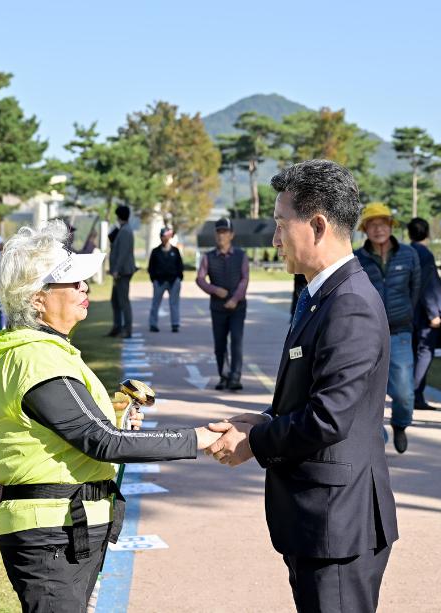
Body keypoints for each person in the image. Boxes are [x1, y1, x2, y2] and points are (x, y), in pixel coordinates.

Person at [0, 221, 221, 612]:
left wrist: (114, 413)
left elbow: (76, 429)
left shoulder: (43, 352)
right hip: (52, 533)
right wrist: (200, 437)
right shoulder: (37, 358)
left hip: (62, 528)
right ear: (37, 298)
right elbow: (103, 441)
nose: (84, 287)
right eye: (72, 282)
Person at [206, 160, 398, 613]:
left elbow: (328, 418)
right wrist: (265, 420)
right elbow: (316, 397)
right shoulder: (323, 295)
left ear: (317, 225)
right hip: (321, 520)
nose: (275, 240)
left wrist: (253, 442)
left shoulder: (349, 303)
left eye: (280, 225)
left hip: (337, 523)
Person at [354, 203, 421, 453]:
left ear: (391, 226)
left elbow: (415, 290)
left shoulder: (409, 255)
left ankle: (400, 424)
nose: (378, 229)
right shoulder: (357, 258)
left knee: (404, 392)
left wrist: (404, 314)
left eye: (383, 223)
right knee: (369, 392)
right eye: (372, 224)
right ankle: (377, 435)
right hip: (366, 334)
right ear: (365, 229)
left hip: (400, 332)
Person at [196, 218, 250, 391]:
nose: (221, 235)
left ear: (231, 235)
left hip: (238, 307)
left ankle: (235, 378)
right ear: (215, 235)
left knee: (236, 342)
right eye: (218, 232)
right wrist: (214, 290)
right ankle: (224, 376)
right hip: (217, 308)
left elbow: (244, 279)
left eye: (225, 232)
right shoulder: (208, 257)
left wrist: (235, 298)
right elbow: (200, 278)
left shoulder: (241, 256)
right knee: (219, 345)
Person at [407, 217, 441, 411]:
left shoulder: (406, 252)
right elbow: (427, 287)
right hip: (423, 313)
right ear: (428, 233)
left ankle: (411, 394)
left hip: (408, 310)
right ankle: (414, 395)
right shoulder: (425, 255)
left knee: (412, 353)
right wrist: (433, 314)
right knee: (424, 352)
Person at [107, 205, 137, 338]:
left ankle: (127, 329)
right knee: (115, 300)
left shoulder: (125, 231)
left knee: (123, 301)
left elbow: (123, 253)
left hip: (122, 272)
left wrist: (116, 270)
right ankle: (117, 327)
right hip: (120, 271)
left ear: (119, 216)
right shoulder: (124, 229)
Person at [147, 227, 184, 333]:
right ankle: (153, 324)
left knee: (174, 303)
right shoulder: (155, 252)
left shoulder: (175, 251)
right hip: (159, 281)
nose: (164, 238)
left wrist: (179, 278)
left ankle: (175, 324)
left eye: (166, 236)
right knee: (155, 303)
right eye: (163, 236)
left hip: (173, 281)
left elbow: (180, 266)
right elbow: (151, 267)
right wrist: (154, 279)